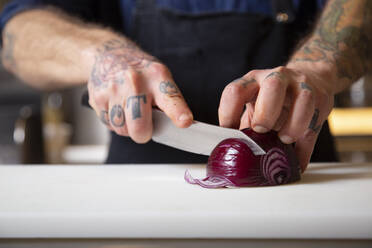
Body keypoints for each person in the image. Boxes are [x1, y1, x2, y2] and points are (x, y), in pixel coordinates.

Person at [1, 0, 371, 171]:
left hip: (300, 186)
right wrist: (99, 55)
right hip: (140, 199)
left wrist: (319, 67)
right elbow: (17, 32)